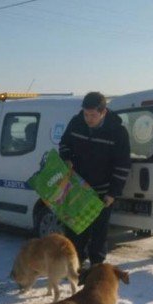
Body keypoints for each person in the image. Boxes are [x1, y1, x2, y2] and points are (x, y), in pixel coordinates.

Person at [58, 91, 131, 265]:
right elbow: (64, 143)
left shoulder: (118, 132)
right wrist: (66, 158)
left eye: (92, 115)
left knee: (99, 234)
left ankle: (97, 268)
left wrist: (113, 193)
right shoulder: (76, 123)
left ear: (103, 112)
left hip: (101, 193)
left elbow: (122, 165)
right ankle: (76, 266)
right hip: (76, 188)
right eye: (85, 114)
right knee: (75, 231)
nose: (88, 118)